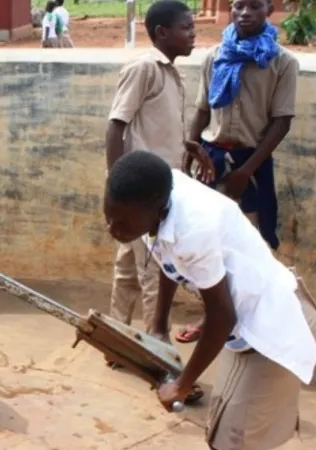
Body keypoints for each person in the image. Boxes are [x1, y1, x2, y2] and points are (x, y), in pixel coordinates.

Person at [104, 150, 316, 450]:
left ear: (155, 209)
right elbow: (167, 256)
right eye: (108, 217)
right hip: (261, 306)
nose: (113, 229)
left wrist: (181, 385)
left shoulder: (192, 230)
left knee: (230, 440)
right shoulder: (157, 194)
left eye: (122, 223)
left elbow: (223, 316)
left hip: (268, 324)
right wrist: (159, 325)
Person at [178, 0, 298, 345]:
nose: (244, 13)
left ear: (268, 10)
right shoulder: (216, 56)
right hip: (211, 158)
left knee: (254, 243)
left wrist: (246, 171)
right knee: (210, 242)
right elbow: (203, 111)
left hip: (253, 162)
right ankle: (215, 319)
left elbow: (281, 122)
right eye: (237, 5)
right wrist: (190, 149)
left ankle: (251, 324)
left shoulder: (281, 62)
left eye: (254, 6)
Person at [104, 0, 214, 372]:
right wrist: (117, 191)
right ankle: (155, 353)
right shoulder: (144, 68)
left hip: (159, 193)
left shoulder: (171, 73)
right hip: (143, 198)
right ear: (162, 33)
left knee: (128, 270)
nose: (193, 33)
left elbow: (155, 128)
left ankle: (114, 340)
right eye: (187, 27)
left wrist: (189, 145)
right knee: (154, 273)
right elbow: (117, 125)